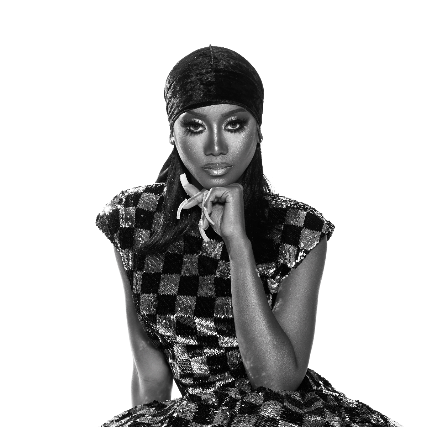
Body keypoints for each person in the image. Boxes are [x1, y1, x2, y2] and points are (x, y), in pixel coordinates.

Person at [96, 46, 401, 426]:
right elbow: (150, 376)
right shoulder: (136, 219)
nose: (216, 147)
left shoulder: (298, 230)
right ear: (172, 134)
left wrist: (237, 244)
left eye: (234, 125)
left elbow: (276, 383)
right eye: (195, 127)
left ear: (258, 131)